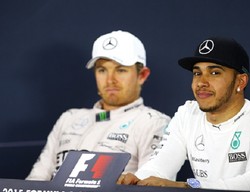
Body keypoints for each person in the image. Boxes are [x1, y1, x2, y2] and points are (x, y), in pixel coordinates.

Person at [118, 37, 250, 192]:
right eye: (196, 73)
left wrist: (186, 187)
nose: (201, 82)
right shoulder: (187, 113)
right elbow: (160, 165)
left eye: (215, 73)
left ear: (241, 82)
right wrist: (135, 180)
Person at [26, 30, 170, 180]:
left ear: (142, 75)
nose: (110, 80)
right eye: (102, 70)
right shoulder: (69, 118)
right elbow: (35, 182)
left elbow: (153, 190)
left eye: (120, 70)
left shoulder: (154, 122)